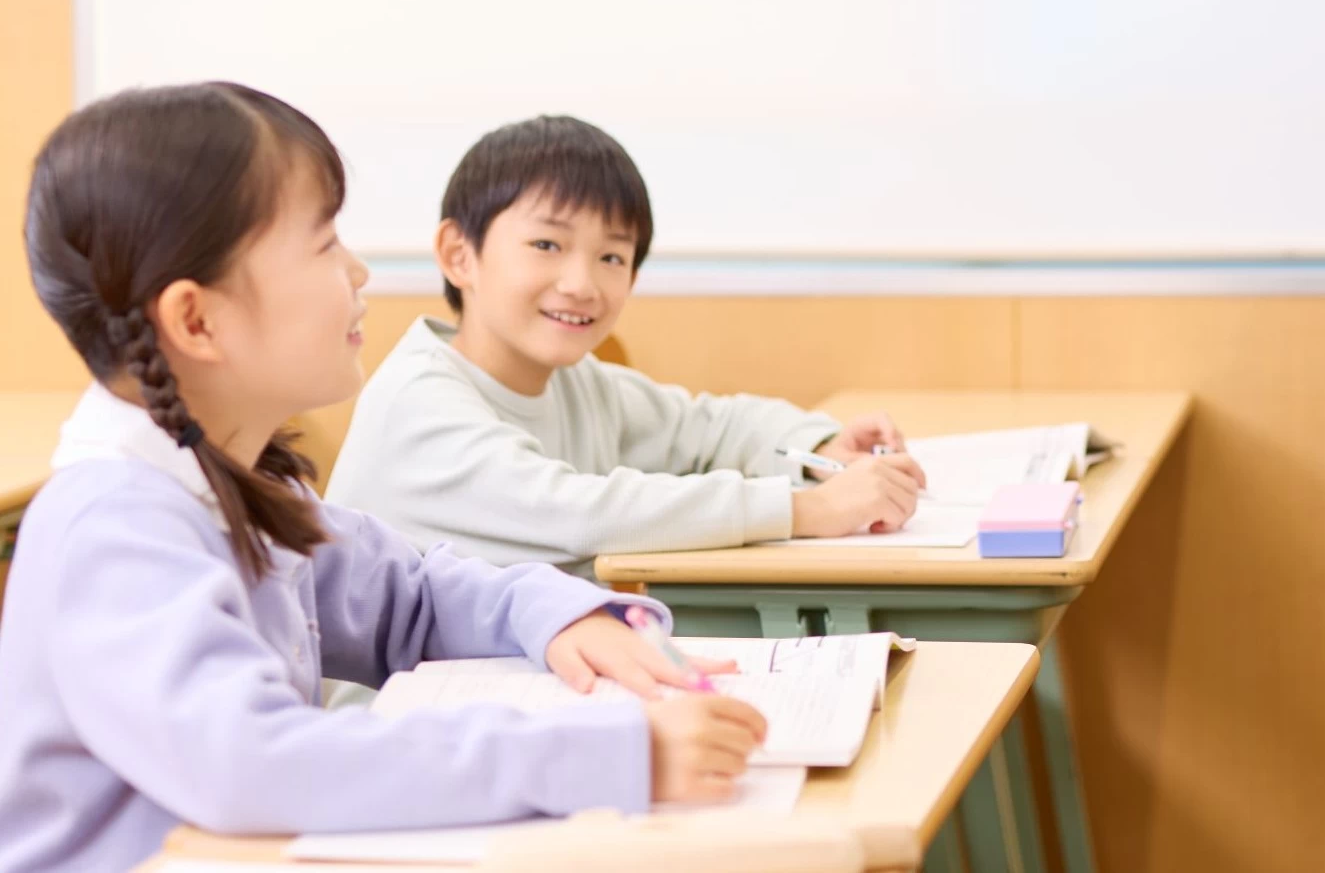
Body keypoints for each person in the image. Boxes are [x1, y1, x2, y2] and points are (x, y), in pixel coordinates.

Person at [0, 83, 767, 873]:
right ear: (198, 321)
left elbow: (414, 597)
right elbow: (256, 765)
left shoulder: (242, 481)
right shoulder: (114, 527)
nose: (359, 270)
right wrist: (608, 759)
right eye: (325, 244)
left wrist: (560, 618)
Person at [327, 114, 925, 573]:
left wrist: (819, 448)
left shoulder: (572, 380)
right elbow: (578, 514)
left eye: (612, 255)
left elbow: (711, 428)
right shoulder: (418, 404)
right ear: (460, 255)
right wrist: (806, 511)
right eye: (546, 246)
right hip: (403, 714)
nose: (582, 284)